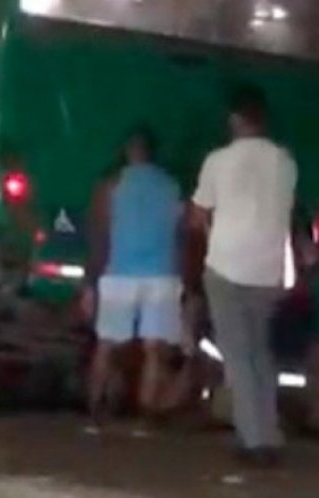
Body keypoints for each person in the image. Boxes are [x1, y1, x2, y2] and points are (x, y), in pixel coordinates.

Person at [191, 85, 297, 466]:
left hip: (227, 266)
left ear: (235, 119)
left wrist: (209, 232)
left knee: (238, 356)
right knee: (261, 355)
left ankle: (253, 442)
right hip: (268, 270)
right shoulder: (285, 161)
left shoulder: (218, 161)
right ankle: (270, 434)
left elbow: (198, 214)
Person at [83, 127, 184, 424]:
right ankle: (146, 410)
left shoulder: (112, 186)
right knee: (154, 349)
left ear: (129, 152)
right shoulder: (172, 187)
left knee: (106, 344)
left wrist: (90, 282)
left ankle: (95, 405)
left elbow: (99, 235)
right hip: (162, 275)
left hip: (120, 275)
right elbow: (180, 236)